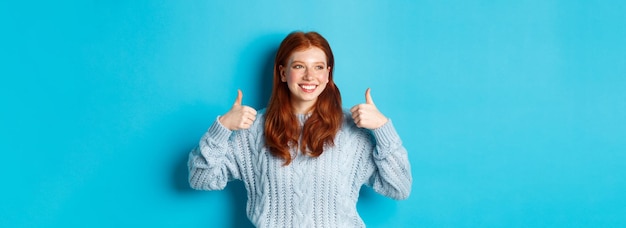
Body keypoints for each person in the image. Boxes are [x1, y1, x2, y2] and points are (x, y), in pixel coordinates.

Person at [188, 31, 412, 227]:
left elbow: (399, 188)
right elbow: (200, 178)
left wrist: (383, 128)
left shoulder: (352, 131)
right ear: (284, 73)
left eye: (318, 67)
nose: (309, 76)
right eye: (299, 66)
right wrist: (222, 127)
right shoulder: (253, 131)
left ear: (327, 75)